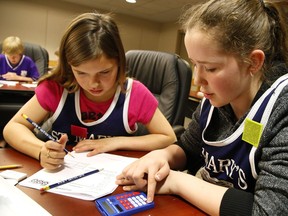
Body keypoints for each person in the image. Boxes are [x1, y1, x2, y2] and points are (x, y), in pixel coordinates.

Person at [116, 0, 288, 215]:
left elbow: (268, 210)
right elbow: (188, 149)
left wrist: (178, 182)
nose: (197, 79)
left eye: (210, 68)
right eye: (194, 64)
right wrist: (161, 156)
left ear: (253, 62)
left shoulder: (282, 106)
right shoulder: (215, 100)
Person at [3, 12, 176, 170]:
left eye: (105, 72)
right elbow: (13, 127)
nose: (93, 83)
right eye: (81, 73)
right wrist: (41, 150)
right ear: (70, 67)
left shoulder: (134, 93)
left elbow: (168, 137)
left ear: (119, 63)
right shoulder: (56, 87)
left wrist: (113, 142)